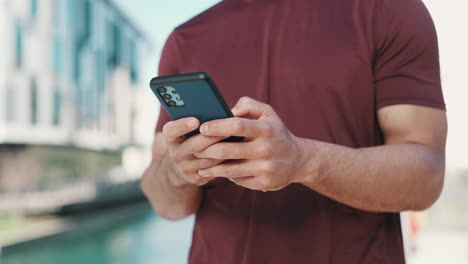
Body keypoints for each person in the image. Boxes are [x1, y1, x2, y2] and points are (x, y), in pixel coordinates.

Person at [141, 0, 447, 263]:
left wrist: (304, 161)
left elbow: (426, 177)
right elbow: (167, 205)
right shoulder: (185, 38)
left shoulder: (388, 10)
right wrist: (177, 172)